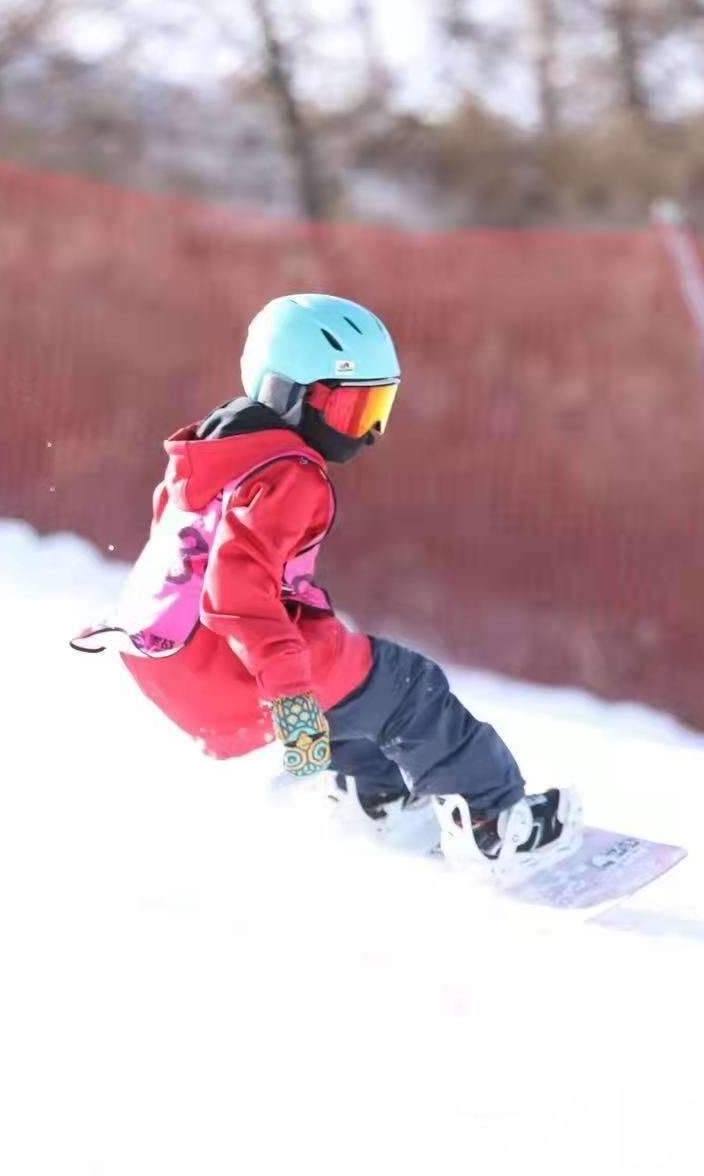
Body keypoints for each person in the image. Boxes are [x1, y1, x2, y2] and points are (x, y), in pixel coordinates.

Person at [73, 293, 582, 878]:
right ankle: (498, 825)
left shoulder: (211, 454)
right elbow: (236, 594)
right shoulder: (289, 474)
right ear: (290, 395)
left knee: (353, 680)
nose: (367, 435)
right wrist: (288, 694)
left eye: (378, 410)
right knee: (409, 687)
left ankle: (377, 798)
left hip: (173, 667)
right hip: (233, 671)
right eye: (352, 412)